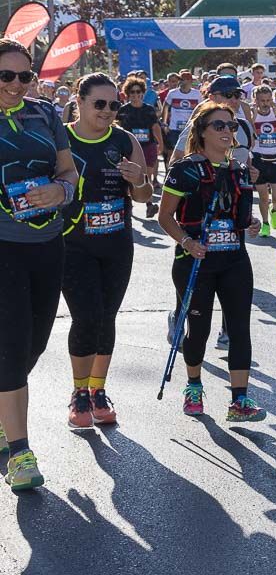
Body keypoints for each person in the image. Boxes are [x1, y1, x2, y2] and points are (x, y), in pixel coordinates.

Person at [0, 37, 78, 491]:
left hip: (49, 242)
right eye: (6, 76)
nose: (15, 85)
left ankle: (5, 413)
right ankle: (20, 452)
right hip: (2, 247)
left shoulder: (46, 113)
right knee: (11, 345)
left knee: (33, 345)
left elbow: (68, 171)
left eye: (24, 76)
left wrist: (61, 192)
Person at [159, 101, 266, 422]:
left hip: (234, 260)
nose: (227, 132)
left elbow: (243, 217)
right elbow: (165, 217)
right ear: (202, 132)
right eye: (219, 126)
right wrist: (187, 241)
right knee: (198, 329)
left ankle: (240, 400)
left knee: (239, 329)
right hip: (194, 262)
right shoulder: (185, 169)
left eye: (231, 127)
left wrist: (252, 224)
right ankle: (193, 387)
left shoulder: (242, 170)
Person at [61, 73, 153, 430]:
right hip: (74, 243)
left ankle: (98, 391)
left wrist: (138, 180)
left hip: (116, 244)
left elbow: (144, 198)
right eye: (99, 104)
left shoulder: (125, 140)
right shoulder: (61, 138)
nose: (107, 111)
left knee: (107, 317)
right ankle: (79, 393)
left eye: (113, 105)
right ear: (79, 101)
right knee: (87, 316)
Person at [117, 75, 164, 218]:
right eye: (132, 92)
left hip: (148, 146)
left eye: (138, 92)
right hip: (129, 148)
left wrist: (160, 143)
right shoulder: (123, 110)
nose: (135, 95)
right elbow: (117, 128)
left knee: (146, 175)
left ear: (143, 93)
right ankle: (129, 202)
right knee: (128, 176)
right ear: (127, 94)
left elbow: (155, 127)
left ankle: (149, 205)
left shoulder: (149, 110)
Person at [249, 85, 276, 237]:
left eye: (268, 100)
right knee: (264, 198)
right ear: (256, 100)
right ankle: (265, 224)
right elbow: (249, 132)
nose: (265, 103)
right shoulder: (252, 114)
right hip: (259, 159)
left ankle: (275, 210)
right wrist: (253, 115)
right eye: (262, 100)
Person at [161, 70, 200, 169]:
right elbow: (165, 107)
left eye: (182, 80)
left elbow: (201, 110)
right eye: (180, 80)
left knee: (189, 152)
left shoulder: (197, 94)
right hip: (174, 128)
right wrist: (165, 124)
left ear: (189, 81)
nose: (180, 82)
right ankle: (170, 172)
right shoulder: (172, 93)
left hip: (190, 129)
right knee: (173, 153)